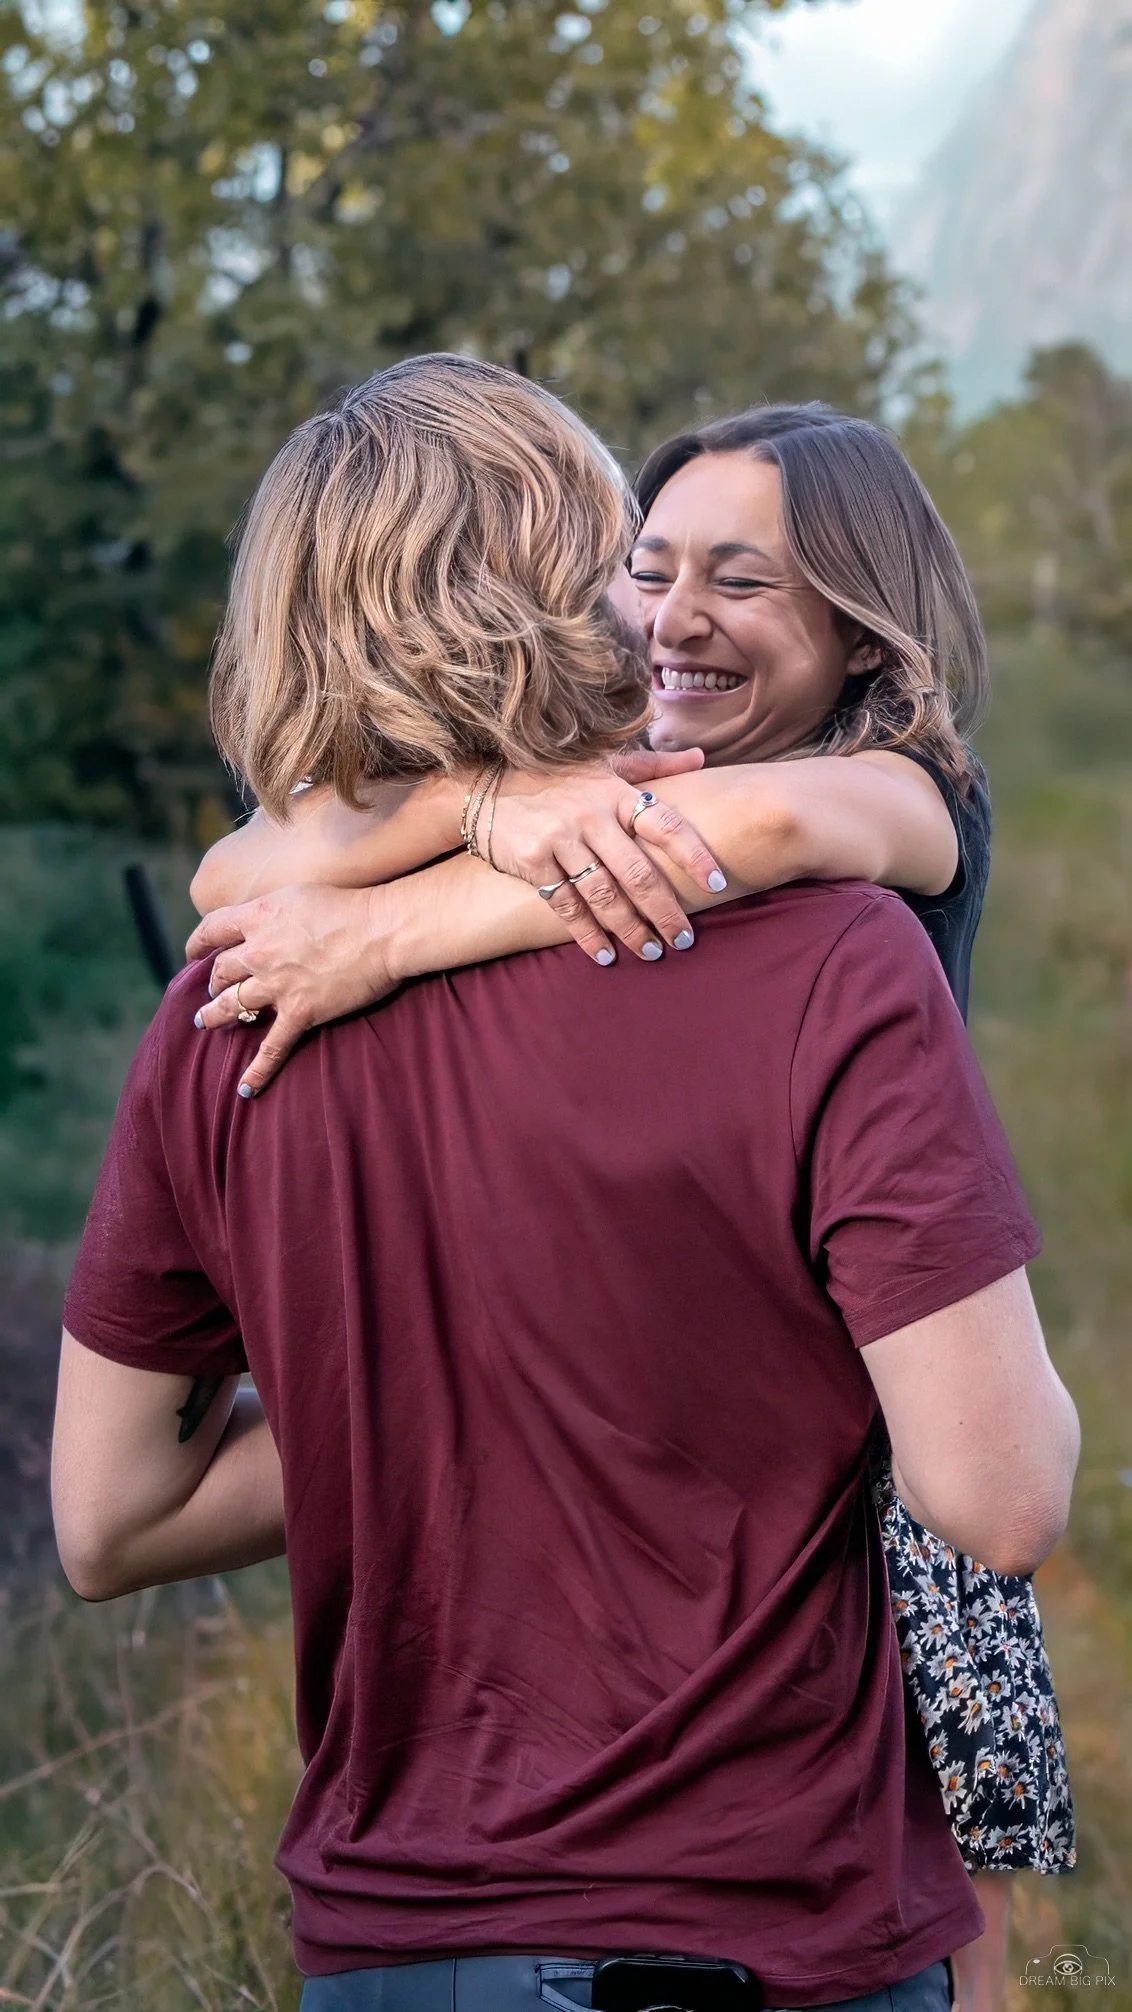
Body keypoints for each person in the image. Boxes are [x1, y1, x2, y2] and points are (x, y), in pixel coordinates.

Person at [52, 357, 1080, 2012]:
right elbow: (1006, 1492)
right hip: (766, 1922)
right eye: (641, 564)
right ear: (573, 592)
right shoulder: (822, 963)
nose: (668, 615)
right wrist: (481, 817)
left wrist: (394, 928)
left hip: (389, 1943)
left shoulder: (229, 1002)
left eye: (742, 580)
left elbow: (108, 1520)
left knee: (982, 1844)